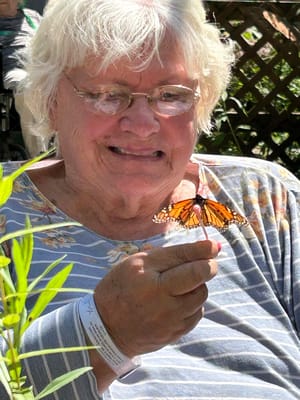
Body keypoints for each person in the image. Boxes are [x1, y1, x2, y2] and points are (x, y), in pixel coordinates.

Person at [0, 0, 299, 399]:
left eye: (171, 95)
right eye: (107, 94)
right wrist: (99, 332)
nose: (142, 126)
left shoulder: (263, 197)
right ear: (51, 100)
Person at [0, 0, 47, 157]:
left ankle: (38, 155)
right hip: (10, 69)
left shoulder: (32, 18)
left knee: (28, 86)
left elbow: (48, 47)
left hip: (25, 70)